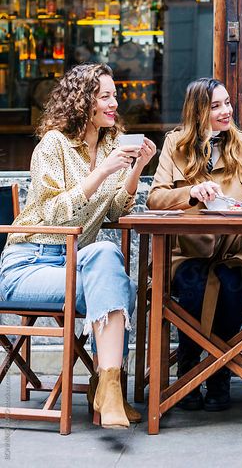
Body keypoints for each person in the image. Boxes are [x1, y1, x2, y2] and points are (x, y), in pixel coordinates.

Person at [0, 63, 156, 429]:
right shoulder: (53, 145)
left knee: (110, 265)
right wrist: (100, 173)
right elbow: (55, 213)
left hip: (76, 261)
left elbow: (114, 209)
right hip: (30, 265)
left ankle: (107, 385)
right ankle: (105, 391)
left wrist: (136, 168)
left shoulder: (112, 146)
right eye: (105, 96)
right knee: (116, 278)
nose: (114, 103)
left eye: (114, 95)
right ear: (82, 102)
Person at [147, 77, 242, 411]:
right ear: (198, 111)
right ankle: (189, 368)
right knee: (194, 285)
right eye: (216, 105)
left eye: (227, 103)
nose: (226, 111)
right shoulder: (175, 144)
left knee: (230, 287)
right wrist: (189, 193)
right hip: (185, 253)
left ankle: (218, 376)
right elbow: (154, 199)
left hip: (237, 256)